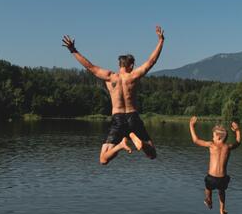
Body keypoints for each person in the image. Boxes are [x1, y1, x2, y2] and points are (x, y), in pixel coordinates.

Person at [62, 26, 165, 165]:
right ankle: (139, 141)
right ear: (131, 65)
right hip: (133, 117)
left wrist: (73, 50)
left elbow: (90, 67)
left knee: (103, 159)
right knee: (152, 154)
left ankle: (121, 145)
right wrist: (161, 41)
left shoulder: (110, 77)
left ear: (119, 64)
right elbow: (151, 61)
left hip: (118, 119)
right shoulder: (133, 76)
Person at [189, 116, 241, 214]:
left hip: (211, 177)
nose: (212, 138)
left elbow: (195, 140)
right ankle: (222, 210)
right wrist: (237, 130)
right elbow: (238, 142)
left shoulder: (211, 145)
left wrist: (191, 125)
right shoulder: (228, 147)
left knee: (208, 188)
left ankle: (209, 199)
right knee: (222, 192)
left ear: (218, 138)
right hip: (223, 178)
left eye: (213, 136)